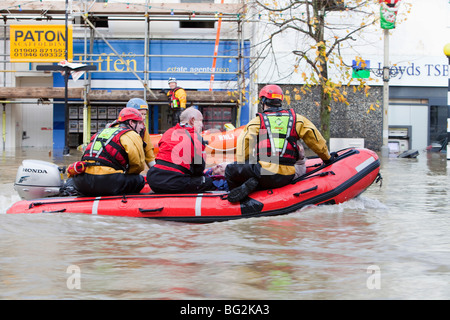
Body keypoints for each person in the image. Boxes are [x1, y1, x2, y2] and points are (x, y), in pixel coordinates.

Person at [225, 84, 335, 203]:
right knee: (258, 172)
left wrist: (244, 164)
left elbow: (243, 146)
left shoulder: (257, 122)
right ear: (280, 101)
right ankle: (256, 185)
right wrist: (327, 159)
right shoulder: (297, 119)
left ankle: (238, 201)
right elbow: (315, 139)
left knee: (230, 169)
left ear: (263, 102)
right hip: (288, 174)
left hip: (263, 171)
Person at [71, 107, 147, 196]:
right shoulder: (132, 135)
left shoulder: (102, 131)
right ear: (131, 123)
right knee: (139, 180)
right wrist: (125, 174)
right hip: (106, 182)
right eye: (140, 123)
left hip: (82, 181)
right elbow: (138, 166)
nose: (142, 127)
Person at [147, 107, 215, 194]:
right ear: (192, 120)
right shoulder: (196, 138)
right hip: (174, 181)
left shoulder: (168, 132)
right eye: (201, 121)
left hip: (154, 178)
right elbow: (199, 169)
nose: (202, 125)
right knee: (208, 181)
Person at [126, 98, 156, 168]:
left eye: (144, 114)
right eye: (141, 114)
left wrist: (154, 169)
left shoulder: (143, 127)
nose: (143, 117)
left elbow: (148, 149)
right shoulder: (118, 127)